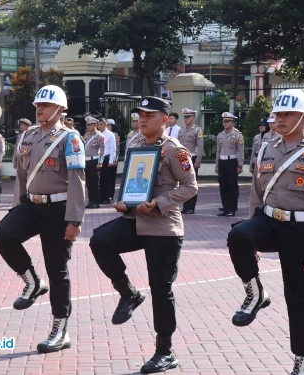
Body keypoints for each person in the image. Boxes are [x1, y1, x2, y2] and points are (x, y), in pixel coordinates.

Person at [227, 89, 304, 375]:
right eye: (278, 114)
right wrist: (252, 229)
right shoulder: (266, 147)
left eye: (288, 114)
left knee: (298, 298)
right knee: (239, 235)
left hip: (300, 230)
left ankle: (301, 361)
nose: (281, 120)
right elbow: (256, 192)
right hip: (268, 220)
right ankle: (255, 294)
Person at [89, 96, 197, 374]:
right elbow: (131, 183)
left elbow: (190, 187)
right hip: (135, 220)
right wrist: (123, 201)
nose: (143, 119)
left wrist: (159, 203)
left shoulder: (175, 150)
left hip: (163, 227)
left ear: (164, 119)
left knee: (161, 290)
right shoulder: (136, 145)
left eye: (150, 115)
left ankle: (165, 352)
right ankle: (128, 293)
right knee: (100, 241)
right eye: (141, 115)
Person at [0, 85, 86, 354]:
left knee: (58, 271)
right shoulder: (27, 137)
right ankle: (32, 282)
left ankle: (60, 330)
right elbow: (22, 176)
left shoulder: (70, 138)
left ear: (60, 109)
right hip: (31, 204)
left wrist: (75, 220)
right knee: (4, 235)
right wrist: (15, 207)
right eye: (37, 106)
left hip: (59, 210)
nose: (39, 109)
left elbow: (78, 181)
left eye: (45, 105)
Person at [215, 112, 244, 217]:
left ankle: (232, 208)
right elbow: (218, 151)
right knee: (223, 185)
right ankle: (226, 207)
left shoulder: (237, 134)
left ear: (232, 122)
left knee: (232, 185)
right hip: (222, 162)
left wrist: (240, 165)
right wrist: (217, 165)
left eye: (227, 121)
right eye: (224, 121)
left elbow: (241, 151)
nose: (225, 123)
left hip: (232, 161)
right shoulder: (220, 135)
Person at [177, 108, 203, 214]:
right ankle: (185, 206)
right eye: (185, 117)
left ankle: (191, 207)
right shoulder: (181, 130)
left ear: (193, 117)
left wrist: (198, 160)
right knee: (183, 183)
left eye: (188, 117)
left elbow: (200, 146)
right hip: (182, 158)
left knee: (191, 182)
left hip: (192, 157)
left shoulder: (197, 130)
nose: (186, 119)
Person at [83, 116, 105, 209]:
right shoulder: (86, 135)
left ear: (95, 125)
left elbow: (103, 149)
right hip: (87, 160)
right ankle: (91, 201)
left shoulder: (99, 136)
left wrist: (100, 162)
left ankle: (96, 202)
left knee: (95, 182)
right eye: (87, 124)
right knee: (89, 183)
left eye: (90, 124)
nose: (88, 126)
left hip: (94, 161)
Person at [98, 118, 117, 204]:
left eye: (101, 124)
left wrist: (111, 160)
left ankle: (107, 197)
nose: (100, 126)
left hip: (106, 157)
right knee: (100, 179)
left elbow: (113, 148)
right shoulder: (97, 134)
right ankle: (101, 196)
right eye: (98, 124)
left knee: (106, 179)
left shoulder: (110, 134)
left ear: (105, 125)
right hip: (99, 158)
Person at [107, 119, 120, 201]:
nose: (107, 127)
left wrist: (115, 160)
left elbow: (117, 148)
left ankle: (110, 194)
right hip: (105, 158)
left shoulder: (115, 135)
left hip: (113, 158)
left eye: (109, 125)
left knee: (111, 177)